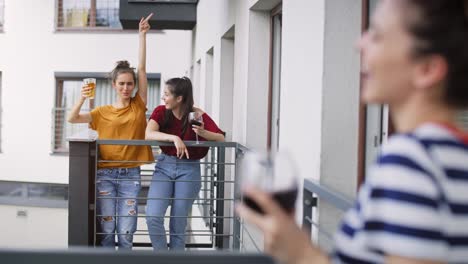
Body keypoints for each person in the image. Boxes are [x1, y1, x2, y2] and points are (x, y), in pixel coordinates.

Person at [237, 0, 468, 263]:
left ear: (427, 69)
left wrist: (302, 253)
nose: (360, 45)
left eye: (377, 36)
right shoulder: (455, 154)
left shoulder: (411, 158)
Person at [67, 13, 154, 249]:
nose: (126, 87)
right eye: (122, 84)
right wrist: (82, 97)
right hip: (105, 175)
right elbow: (72, 118)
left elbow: (143, 70)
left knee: (126, 232)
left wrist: (142, 35)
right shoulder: (101, 112)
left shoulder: (138, 104)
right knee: (107, 231)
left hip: (130, 176)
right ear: (114, 85)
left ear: (133, 85)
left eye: (130, 83)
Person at [145, 77, 225, 250]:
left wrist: (203, 132)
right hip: (164, 167)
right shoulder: (161, 111)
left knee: (178, 223)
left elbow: (220, 137)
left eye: (166, 94)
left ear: (179, 98)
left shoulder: (198, 115)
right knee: (152, 215)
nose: (163, 98)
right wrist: (174, 138)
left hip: (189, 169)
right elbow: (149, 133)